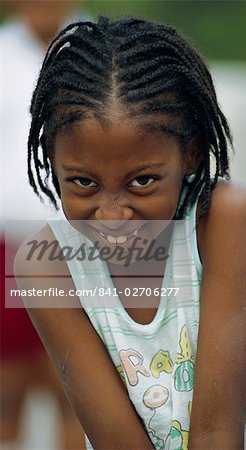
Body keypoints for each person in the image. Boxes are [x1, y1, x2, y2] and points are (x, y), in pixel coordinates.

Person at [14, 16, 246, 450]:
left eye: (142, 181)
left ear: (190, 154)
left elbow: (218, 432)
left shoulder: (223, 220)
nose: (112, 216)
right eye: (83, 183)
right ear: (51, 163)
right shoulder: (45, 266)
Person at [0, 1, 85, 448]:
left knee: (77, 388)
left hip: (81, 249)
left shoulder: (95, 51)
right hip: (6, 247)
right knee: (6, 389)